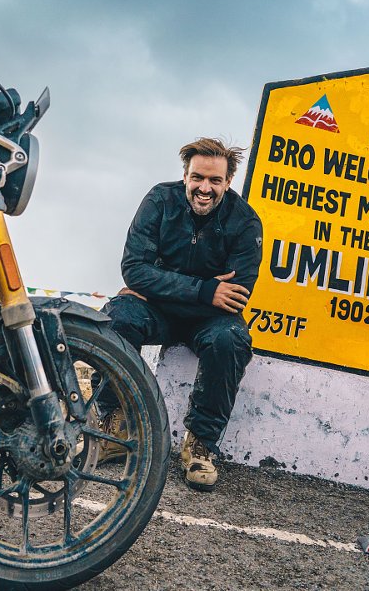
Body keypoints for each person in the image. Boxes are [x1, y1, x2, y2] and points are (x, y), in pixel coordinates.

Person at [98, 137, 263, 491]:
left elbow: (236, 296)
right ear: (185, 175)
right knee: (116, 317)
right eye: (197, 178)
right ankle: (115, 424)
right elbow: (134, 270)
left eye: (215, 181)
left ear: (228, 182)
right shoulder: (159, 200)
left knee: (231, 338)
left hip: (208, 320)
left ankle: (201, 443)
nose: (205, 188)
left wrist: (159, 283)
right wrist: (206, 289)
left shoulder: (246, 222)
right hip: (157, 311)